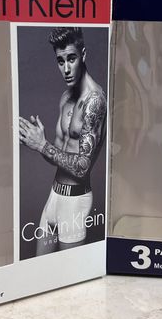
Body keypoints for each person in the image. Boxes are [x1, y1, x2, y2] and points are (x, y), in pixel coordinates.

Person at [19, 27, 106, 253]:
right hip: (54, 196)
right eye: (60, 61)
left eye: (71, 59)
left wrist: (42, 145)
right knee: (40, 268)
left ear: (83, 55)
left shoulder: (94, 102)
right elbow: (58, 154)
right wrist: (35, 140)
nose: (66, 69)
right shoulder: (66, 97)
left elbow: (82, 166)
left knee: (71, 272)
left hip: (75, 203)